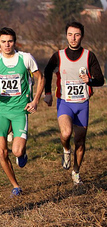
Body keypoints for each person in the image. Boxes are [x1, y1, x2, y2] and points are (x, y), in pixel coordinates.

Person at [43, 21, 104, 185]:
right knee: (65, 133)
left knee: (80, 141)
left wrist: (89, 80)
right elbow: (47, 71)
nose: (73, 38)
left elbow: (100, 80)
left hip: (82, 103)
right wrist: (48, 93)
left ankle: (76, 171)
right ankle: (65, 149)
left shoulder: (89, 56)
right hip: (65, 102)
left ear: (82, 36)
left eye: (77, 34)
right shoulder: (59, 55)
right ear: (66, 36)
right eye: (70, 34)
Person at [0, 27, 45, 196]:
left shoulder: (25, 58)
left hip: (20, 111)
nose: (7, 45)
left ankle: (22, 153)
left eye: (10, 41)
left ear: (15, 41)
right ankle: (15, 185)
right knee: (2, 151)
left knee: (17, 151)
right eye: (3, 42)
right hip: (1, 111)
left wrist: (35, 100)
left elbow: (40, 78)